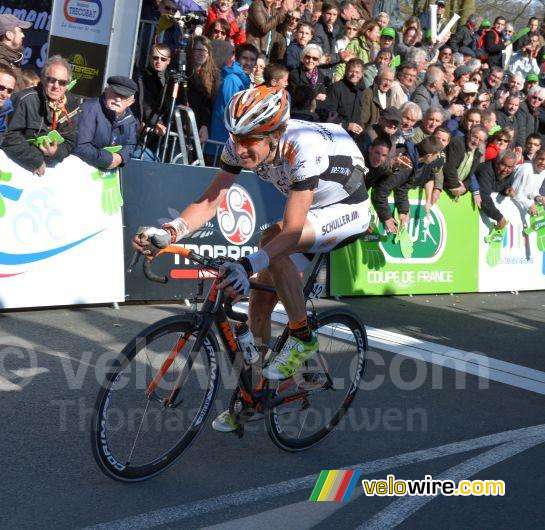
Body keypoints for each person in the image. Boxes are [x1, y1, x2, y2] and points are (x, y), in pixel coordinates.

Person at [132, 86, 371, 432]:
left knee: (271, 240)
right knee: (257, 305)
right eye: (235, 139)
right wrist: (169, 232)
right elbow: (213, 198)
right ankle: (254, 394)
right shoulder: (240, 143)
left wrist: (246, 266)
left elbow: (291, 232)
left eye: (250, 142)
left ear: (274, 135)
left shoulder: (303, 148)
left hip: (347, 209)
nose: (240, 149)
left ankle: (302, 336)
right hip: (310, 209)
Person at [1, 55, 78, 176]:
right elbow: (8, 136)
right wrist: (35, 159)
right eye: (51, 80)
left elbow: (71, 141)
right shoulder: (25, 100)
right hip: (19, 169)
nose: (56, 86)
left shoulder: (70, 103)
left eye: (62, 82)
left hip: (49, 173)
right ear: (42, 79)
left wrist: (55, 152)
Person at [372, 137, 445, 232]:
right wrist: (387, 217)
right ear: (429, 156)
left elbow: (402, 185)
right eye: (437, 155)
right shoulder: (404, 165)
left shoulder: (417, 162)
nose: (438, 157)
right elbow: (380, 191)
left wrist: (403, 210)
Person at [74, 76, 138, 172]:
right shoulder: (89, 109)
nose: (118, 99)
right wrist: (108, 159)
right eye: (115, 93)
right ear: (106, 91)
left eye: (123, 97)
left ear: (130, 102)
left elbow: (131, 145)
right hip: (82, 170)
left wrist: (120, 157)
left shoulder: (130, 118)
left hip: (107, 175)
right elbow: (79, 146)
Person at [208, 43, 259, 152]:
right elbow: (234, 112)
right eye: (245, 58)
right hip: (220, 144)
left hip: (230, 144)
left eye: (252, 59)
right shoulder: (232, 79)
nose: (248, 63)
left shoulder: (244, 81)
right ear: (237, 59)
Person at [471, 149, 519, 228]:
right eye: (503, 165)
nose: (505, 170)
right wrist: (498, 217)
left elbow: (500, 185)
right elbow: (483, 196)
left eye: (510, 167)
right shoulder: (485, 170)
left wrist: (506, 190)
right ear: (497, 162)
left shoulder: (510, 173)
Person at [443, 124, 487, 197]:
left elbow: (469, 177)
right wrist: (457, 187)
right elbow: (450, 167)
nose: (476, 142)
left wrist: (464, 189)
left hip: (455, 190)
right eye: (475, 137)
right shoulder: (457, 143)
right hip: (443, 186)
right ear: (468, 133)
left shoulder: (477, 154)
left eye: (480, 140)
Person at [325, 57, 364, 136]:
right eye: (351, 71)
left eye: (357, 72)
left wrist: (361, 126)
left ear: (361, 74)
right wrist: (347, 126)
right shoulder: (336, 88)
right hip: (337, 133)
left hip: (355, 135)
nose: (354, 75)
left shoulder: (362, 91)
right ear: (346, 71)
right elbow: (328, 114)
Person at [511, 147, 545, 215]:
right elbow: (514, 193)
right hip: (509, 204)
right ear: (535, 156)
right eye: (541, 159)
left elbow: (533, 190)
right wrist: (530, 204)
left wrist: (538, 197)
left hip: (520, 206)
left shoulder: (543, 172)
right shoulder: (525, 169)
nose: (543, 162)